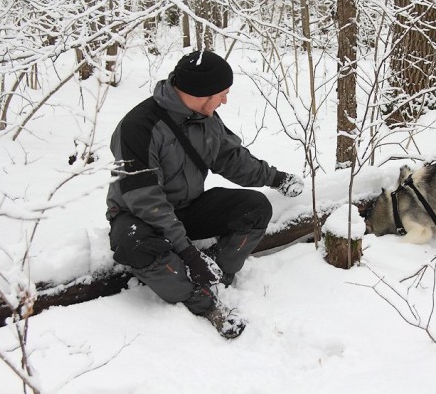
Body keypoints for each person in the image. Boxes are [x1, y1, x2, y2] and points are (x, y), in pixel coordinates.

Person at [106, 50, 303, 339]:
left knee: (255, 209)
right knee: (132, 244)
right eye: (222, 93)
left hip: (187, 207)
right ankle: (204, 302)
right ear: (201, 92)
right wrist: (187, 253)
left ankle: (216, 275)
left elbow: (232, 159)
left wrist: (275, 178)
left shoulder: (206, 119)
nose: (225, 100)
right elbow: (146, 201)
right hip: (138, 216)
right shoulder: (138, 127)